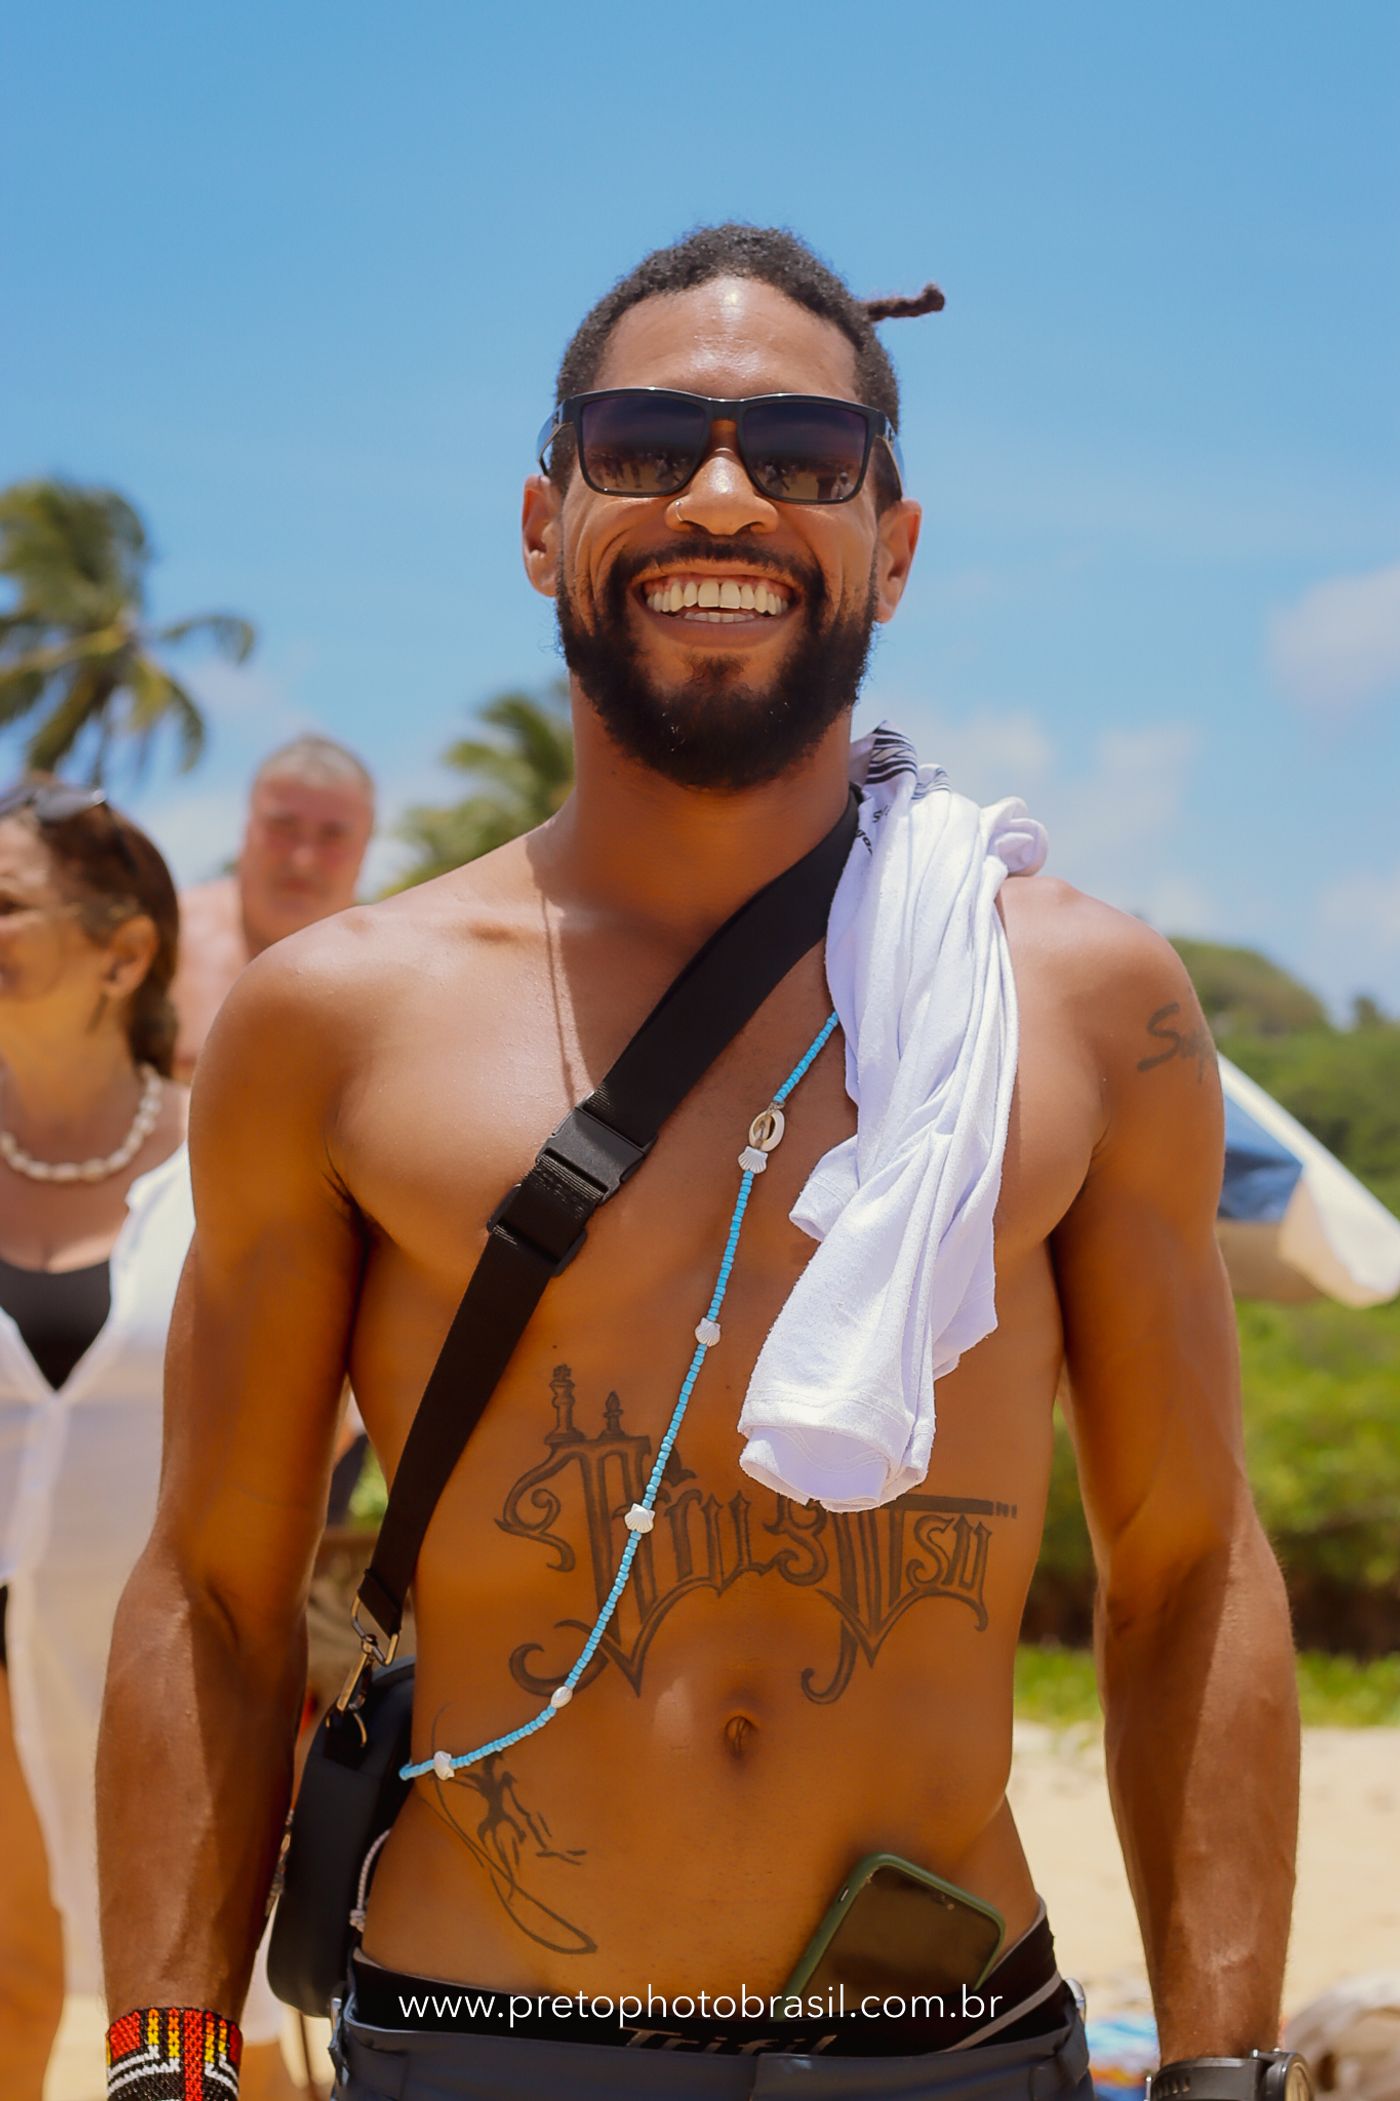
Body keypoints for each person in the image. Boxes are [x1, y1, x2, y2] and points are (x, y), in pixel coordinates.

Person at [97, 226, 1301, 2101]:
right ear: (543, 521)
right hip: (485, 2045)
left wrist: (1222, 2070)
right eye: (645, 446)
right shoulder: (337, 1020)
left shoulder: (1078, 1001)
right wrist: (163, 2066)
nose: (723, 498)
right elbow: (216, 1590)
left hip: (942, 2047)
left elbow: (1190, 1566)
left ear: (893, 543)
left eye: (806, 457)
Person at [0, 784, 305, 2099]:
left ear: (124, 955)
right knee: (6, 1985)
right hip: (3, 1666)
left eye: (5, 905)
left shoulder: (228, 1162)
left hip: (177, 1668)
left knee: (223, 2019)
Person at [170, 732, 375, 1080]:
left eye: (332, 837)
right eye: (283, 829)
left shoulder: (399, 966)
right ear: (247, 829)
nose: (303, 860)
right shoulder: (164, 936)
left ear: (365, 847)